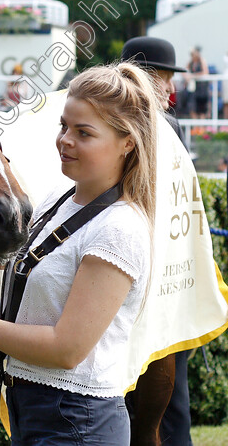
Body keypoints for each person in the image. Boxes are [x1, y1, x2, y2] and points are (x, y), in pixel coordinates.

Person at [0, 62, 160, 445]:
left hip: (77, 421)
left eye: (84, 133)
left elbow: (67, 350)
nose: (65, 140)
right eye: (64, 126)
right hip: (35, 410)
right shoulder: (56, 200)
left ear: (127, 142)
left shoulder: (119, 228)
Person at [121, 36, 193, 445]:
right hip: (159, 272)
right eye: (164, 79)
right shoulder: (162, 125)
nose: (170, 89)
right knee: (168, 395)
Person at [184, 46, 209, 120]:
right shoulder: (191, 62)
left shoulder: (202, 61)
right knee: (192, 108)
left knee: (201, 110)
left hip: (201, 89)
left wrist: (192, 76)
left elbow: (205, 72)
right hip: (193, 90)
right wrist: (187, 76)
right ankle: (195, 129)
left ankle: (201, 129)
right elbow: (184, 70)